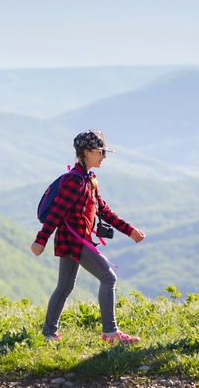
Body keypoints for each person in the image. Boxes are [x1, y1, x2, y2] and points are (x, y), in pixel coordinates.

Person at [31, 130, 146, 344]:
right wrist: (41, 239)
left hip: (74, 239)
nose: (104, 156)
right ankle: (111, 334)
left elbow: (104, 210)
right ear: (86, 152)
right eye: (101, 151)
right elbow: (56, 212)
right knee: (108, 278)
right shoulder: (75, 181)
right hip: (74, 241)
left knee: (64, 287)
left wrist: (129, 230)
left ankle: (48, 335)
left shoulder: (89, 179)